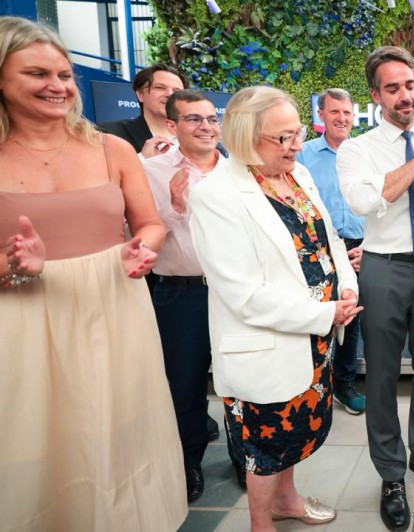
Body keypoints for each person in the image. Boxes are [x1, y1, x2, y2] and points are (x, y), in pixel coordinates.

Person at [0, 16, 187, 531]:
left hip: (114, 306)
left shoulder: (112, 149)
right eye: (37, 73)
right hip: (22, 318)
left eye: (63, 74)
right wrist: (13, 265)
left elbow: (150, 226)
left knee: (118, 431)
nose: (57, 86)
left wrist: (140, 251)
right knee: (33, 440)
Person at [188, 85, 360, 531]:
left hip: (314, 338)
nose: (297, 145)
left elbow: (330, 239)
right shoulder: (216, 196)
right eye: (283, 138)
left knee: (298, 432)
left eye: (298, 133)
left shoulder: (297, 175)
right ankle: (260, 523)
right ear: (246, 137)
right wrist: (324, 314)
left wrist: (346, 286)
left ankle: (287, 500)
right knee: (264, 447)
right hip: (270, 340)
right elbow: (242, 293)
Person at [336, 45, 414, 532]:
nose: (405, 95)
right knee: (383, 375)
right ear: (376, 95)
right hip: (384, 269)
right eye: (393, 88)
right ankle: (390, 475)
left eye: (409, 85)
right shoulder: (358, 149)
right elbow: (368, 200)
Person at [140, 88, 245, 500]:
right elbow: (137, 235)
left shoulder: (237, 170)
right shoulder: (149, 170)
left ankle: (243, 459)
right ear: (172, 125)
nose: (206, 127)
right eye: (194, 120)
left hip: (232, 296)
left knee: (237, 383)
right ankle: (188, 464)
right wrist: (175, 206)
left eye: (211, 119)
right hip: (179, 296)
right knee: (184, 387)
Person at [297, 88, 366, 416]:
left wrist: (369, 245)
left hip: (361, 250)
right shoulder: (303, 156)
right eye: (334, 112)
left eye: (347, 113)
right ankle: (314, 388)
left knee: (351, 319)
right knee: (317, 319)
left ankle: (344, 385)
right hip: (317, 251)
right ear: (320, 116)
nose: (342, 118)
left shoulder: (365, 153)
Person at [99, 64, 187, 156]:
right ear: (140, 95)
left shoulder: (197, 137)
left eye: (177, 91)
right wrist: (144, 160)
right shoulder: (109, 134)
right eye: (160, 88)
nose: (170, 94)